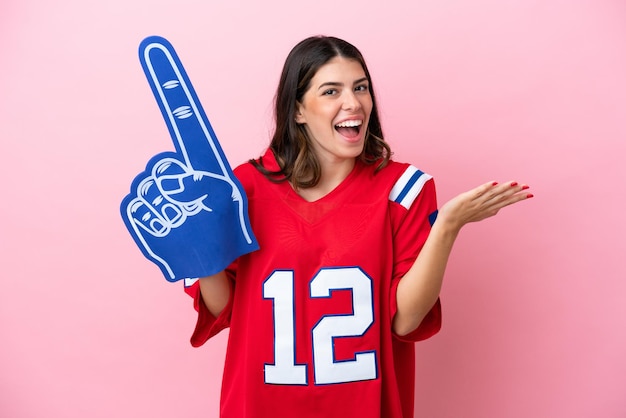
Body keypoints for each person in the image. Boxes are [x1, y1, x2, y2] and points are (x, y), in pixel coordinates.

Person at [183, 35, 532, 418]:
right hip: (262, 406)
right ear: (297, 109)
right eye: (331, 91)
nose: (353, 103)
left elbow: (405, 319)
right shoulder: (243, 189)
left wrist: (447, 226)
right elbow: (228, 307)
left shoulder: (405, 190)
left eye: (360, 87)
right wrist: (203, 253)